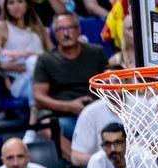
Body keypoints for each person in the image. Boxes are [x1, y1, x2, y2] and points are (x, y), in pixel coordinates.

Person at [33, 13, 109, 147]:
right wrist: (69, 106)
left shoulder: (96, 52)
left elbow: (109, 82)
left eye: (70, 28)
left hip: (97, 111)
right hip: (64, 115)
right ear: (54, 34)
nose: (66, 33)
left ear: (79, 30)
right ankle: (76, 161)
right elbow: (39, 98)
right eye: (60, 29)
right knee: (47, 125)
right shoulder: (46, 60)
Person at [0, 0, 51, 104]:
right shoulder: (1, 26)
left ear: (27, 4)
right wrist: (2, 66)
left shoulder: (37, 25)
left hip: (44, 73)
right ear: (6, 7)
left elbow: (52, 52)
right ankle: (36, 113)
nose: (16, 6)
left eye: (20, 1)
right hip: (19, 80)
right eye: (11, 3)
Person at [69, 97, 119, 167]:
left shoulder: (138, 105)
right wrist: (106, 161)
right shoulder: (89, 112)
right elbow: (76, 157)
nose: (113, 87)